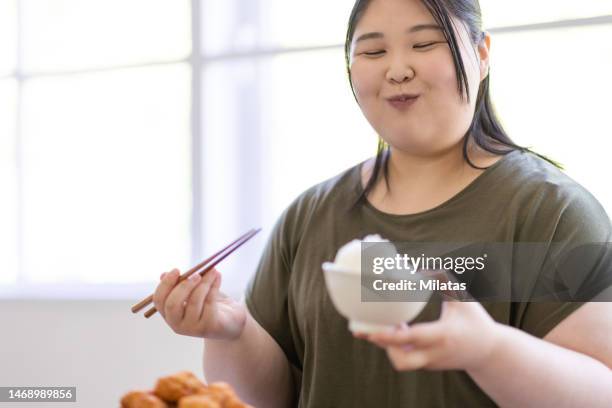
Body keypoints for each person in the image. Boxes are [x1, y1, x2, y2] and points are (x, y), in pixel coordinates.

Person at [152, 0, 612, 407]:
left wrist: (488, 350)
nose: (397, 69)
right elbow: (270, 397)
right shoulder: (311, 214)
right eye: (373, 51)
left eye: (425, 44)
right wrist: (230, 332)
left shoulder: (553, 211)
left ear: (482, 53)